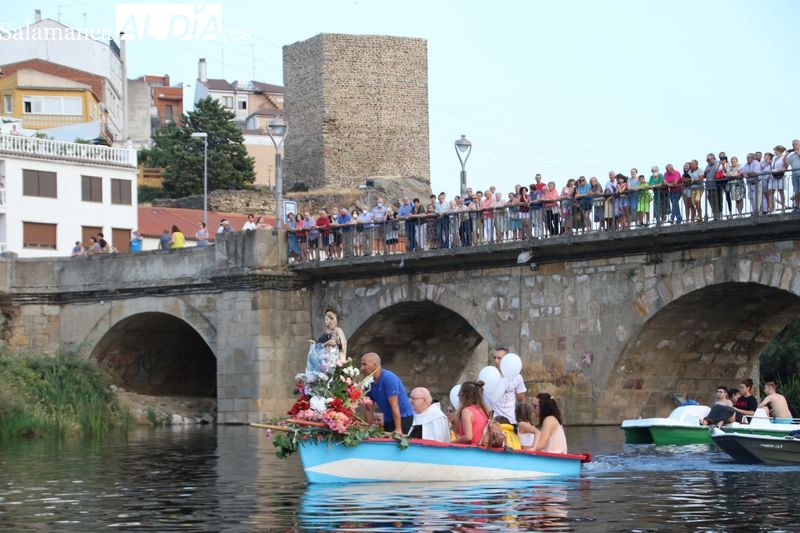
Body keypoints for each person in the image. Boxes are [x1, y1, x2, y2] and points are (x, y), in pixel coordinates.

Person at [360, 352, 414, 434]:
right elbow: (368, 408)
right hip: (388, 417)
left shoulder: (388, 378)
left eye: (365, 364)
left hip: (403, 416)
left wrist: (398, 429)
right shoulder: (368, 381)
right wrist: (368, 428)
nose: (362, 368)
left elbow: (394, 405)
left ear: (375, 364)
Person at [489, 346, 526, 426]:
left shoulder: (517, 377)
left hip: (510, 420)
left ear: (507, 360)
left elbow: (521, 401)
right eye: (494, 358)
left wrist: (522, 420)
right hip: (493, 421)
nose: (496, 361)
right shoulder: (490, 375)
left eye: (499, 358)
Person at [452, 380, 490, 445]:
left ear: (465, 395)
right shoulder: (483, 410)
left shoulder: (467, 411)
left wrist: (451, 443)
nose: (458, 395)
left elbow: (468, 437)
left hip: (470, 451)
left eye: (460, 393)